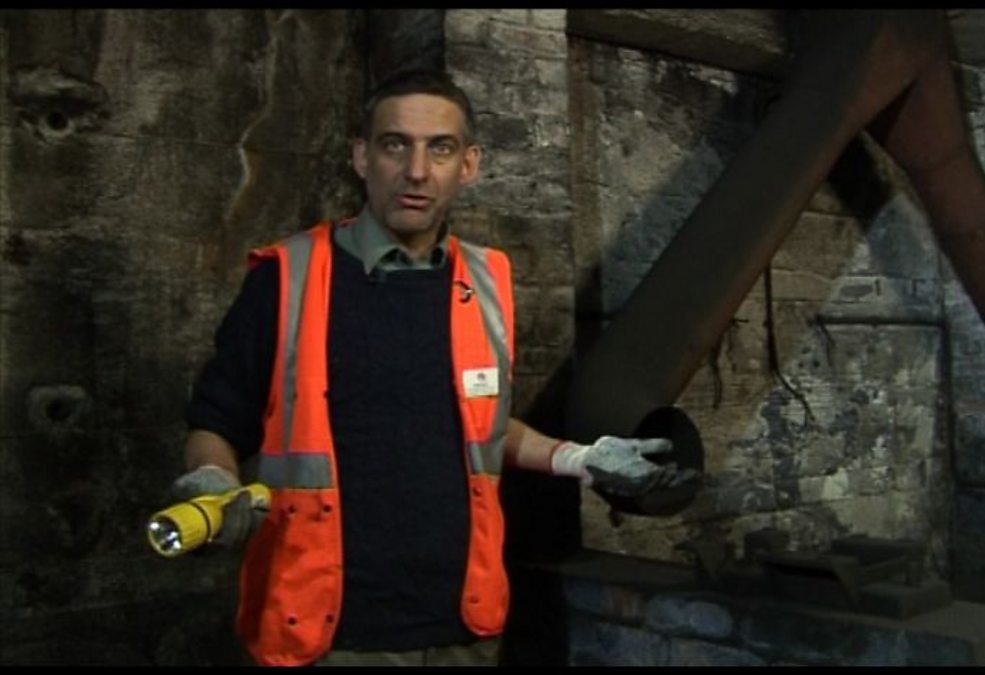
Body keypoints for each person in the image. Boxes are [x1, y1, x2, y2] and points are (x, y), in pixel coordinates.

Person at [171, 68, 694, 667]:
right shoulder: (285, 278)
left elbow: (481, 426)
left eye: (440, 149)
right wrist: (212, 480)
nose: (416, 171)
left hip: (464, 626)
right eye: (395, 145)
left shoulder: (487, 280)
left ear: (468, 165)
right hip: (327, 633)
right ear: (362, 157)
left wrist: (579, 458)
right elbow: (216, 423)